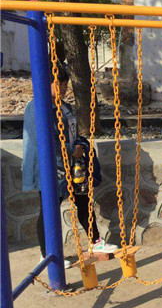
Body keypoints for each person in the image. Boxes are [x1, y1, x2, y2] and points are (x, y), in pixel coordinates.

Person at [22, 63, 118, 269]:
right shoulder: (36, 107)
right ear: (45, 83)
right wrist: (69, 149)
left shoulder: (64, 106)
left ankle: (95, 242)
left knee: (83, 200)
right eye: (58, 83)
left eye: (65, 83)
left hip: (72, 164)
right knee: (49, 208)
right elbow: (44, 139)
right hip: (50, 167)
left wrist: (80, 146)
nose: (63, 88)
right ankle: (45, 254)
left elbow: (71, 132)